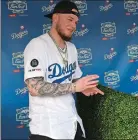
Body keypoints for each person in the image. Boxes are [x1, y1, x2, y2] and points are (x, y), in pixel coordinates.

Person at [24, 1, 104, 140]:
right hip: (47, 130)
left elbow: (74, 78)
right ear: (55, 18)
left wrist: (83, 87)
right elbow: (34, 88)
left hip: (72, 122)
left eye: (76, 22)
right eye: (70, 19)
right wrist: (74, 87)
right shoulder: (37, 45)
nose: (73, 26)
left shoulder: (72, 48)